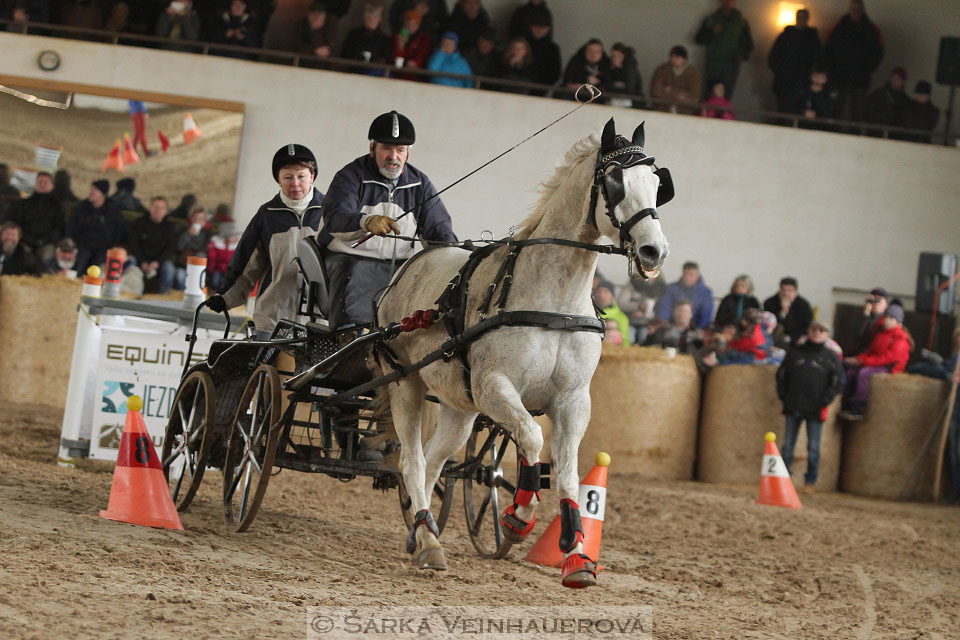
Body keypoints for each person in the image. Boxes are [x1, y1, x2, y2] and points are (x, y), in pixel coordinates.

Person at [321, 111, 456, 327]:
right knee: (355, 275)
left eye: (400, 150)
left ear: (408, 154)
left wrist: (453, 253)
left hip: (400, 267)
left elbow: (438, 231)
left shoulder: (419, 183)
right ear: (372, 149)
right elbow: (335, 219)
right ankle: (349, 338)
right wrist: (365, 222)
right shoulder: (350, 176)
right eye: (386, 149)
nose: (393, 157)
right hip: (352, 260)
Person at [207, 144, 325, 334]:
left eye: (301, 176)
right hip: (272, 319)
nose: (295, 183)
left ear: (312, 176)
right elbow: (245, 265)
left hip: (318, 322)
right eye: (287, 177)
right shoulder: (267, 215)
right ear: (278, 180)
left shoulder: (330, 213)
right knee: (265, 365)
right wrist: (225, 297)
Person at [776, 321, 844, 492]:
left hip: (816, 408)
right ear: (808, 331)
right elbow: (781, 375)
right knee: (788, 446)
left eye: (822, 330)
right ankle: (783, 480)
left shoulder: (831, 357)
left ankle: (810, 481)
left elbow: (839, 382)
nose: (817, 333)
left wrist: (825, 399)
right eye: (814, 329)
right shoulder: (794, 352)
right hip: (793, 405)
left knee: (813, 447)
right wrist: (784, 396)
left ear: (827, 334)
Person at [840, 303, 910, 419]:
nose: (887, 321)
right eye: (886, 317)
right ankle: (845, 402)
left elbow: (888, 358)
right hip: (876, 362)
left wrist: (864, 361)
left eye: (891, 318)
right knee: (851, 372)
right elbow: (871, 351)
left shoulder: (900, 337)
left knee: (864, 373)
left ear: (898, 321)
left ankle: (859, 407)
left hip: (890, 367)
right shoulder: (881, 334)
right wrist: (858, 358)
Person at [823, 0, 883, 123]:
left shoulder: (872, 29)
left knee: (859, 113)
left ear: (863, 10)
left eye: (858, 9)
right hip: (839, 78)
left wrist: (866, 71)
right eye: (853, 9)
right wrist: (832, 70)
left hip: (861, 80)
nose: (855, 12)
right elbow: (828, 49)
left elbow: (878, 53)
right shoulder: (839, 27)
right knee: (836, 111)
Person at [65, 179, 126, 275]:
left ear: (102, 194)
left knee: (99, 265)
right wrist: (71, 242)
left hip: (104, 247)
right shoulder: (82, 207)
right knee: (79, 261)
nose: (91, 192)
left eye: (95, 190)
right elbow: (71, 225)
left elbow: (119, 231)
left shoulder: (112, 210)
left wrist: (114, 247)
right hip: (83, 244)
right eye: (91, 189)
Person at [694, 0, 753, 99]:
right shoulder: (711, 19)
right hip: (713, 64)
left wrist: (742, 56)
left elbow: (749, 44)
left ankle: (724, 114)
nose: (728, 2)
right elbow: (699, 39)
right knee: (710, 95)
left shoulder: (741, 20)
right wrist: (712, 32)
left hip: (731, 64)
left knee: (726, 96)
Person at [768, 8, 822, 113]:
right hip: (784, 81)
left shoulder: (813, 38)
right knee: (782, 109)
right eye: (799, 17)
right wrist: (781, 72)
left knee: (800, 109)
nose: (800, 20)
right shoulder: (785, 36)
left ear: (807, 19)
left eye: (803, 17)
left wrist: (809, 75)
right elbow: (773, 57)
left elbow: (817, 59)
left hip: (803, 81)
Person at [7, 171, 64, 262]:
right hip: (25, 241)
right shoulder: (24, 204)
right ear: (35, 184)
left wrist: (45, 240)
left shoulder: (57, 206)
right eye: (40, 182)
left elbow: (59, 227)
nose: (42, 184)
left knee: (45, 256)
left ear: (51, 186)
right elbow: (17, 223)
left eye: (45, 182)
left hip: (47, 243)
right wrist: (26, 239)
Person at [128, 196, 178, 294]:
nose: (158, 210)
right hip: (140, 259)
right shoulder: (139, 223)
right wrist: (142, 262)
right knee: (129, 263)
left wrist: (157, 263)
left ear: (166, 211)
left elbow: (170, 249)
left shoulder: (169, 228)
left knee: (169, 268)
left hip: (159, 262)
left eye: (161, 208)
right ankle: (130, 293)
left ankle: (163, 297)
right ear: (149, 208)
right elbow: (134, 245)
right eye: (155, 207)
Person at [654, 261, 714, 330]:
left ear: (697, 276)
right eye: (685, 274)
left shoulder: (706, 293)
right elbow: (664, 308)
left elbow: (706, 315)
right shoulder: (671, 288)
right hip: (671, 327)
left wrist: (699, 330)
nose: (687, 277)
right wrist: (664, 326)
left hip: (695, 329)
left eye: (691, 274)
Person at [650, 45, 702, 115]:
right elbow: (656, 92)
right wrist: (679, 95)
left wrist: (670, 90)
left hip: (685, 113)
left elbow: (694, 98)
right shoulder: (662, 70)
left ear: (684, 59)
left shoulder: (693, 74)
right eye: (672, 56)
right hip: (662, 110)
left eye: (677, 57)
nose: (673, 59)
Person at [340, 3, 391, 72]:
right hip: (354, 71)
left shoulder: (384, 39)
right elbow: (344, 54)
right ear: (364, 18)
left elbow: (387, 60)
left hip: (375, 75)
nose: (371, 20)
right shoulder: (354, 34)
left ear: (379, 20)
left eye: (375, 17)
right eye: (369, 17)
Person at [763, 276, 813, 347]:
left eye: (790, 290)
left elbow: (807, 326)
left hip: (796, 338)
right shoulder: (769, 302)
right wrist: (783, 312)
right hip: (774, 337)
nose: (786, 293)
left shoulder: (804, 305)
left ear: (795, 292)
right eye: (783, 290)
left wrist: (791, 338)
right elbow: (767, 323)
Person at [617, 272, 666, 345]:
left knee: (644, 336)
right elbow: (621, 303)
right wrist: (636, 307)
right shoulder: (632, 284)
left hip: (649, 324)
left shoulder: (660, 290)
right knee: (629, 337)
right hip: (629, 320)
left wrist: (645, 315)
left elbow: (660, 311)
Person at [174, 206, 212, 290]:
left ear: (205, 220)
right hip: (183, 264)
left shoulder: (208, 233)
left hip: (198, 264)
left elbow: (205, 249)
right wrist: (188, 235)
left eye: (201, 218)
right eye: (195, 218)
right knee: (180, 277)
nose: (198, 221)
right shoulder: (183, 229)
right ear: (191, 218)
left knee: (198, 280)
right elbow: (179, 247)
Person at [524, 8, 561, 93]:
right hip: (520, 88)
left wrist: (543, 87)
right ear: (531, 27)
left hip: (541, 89)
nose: (539, 30)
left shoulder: (553, 49)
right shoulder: (523, 45)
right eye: (536, 26)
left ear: (548, 29)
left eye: (543, 27)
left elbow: (555, 73)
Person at [391, 8, 433, 79]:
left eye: (414, 24)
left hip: (417, 76)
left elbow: (422, 56)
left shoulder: (424, 39)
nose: (410, 26)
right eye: (408, 23)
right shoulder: (397, 37)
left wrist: (415, 63)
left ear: (418, 25)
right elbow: (396, 62)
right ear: (404, 24)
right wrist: (400, 47)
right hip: (398, 76)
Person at [850, 287, 888, 355]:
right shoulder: (865, 316)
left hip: (873, 356)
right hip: (859, 354)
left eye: (879, 300)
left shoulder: (888, 320)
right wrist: (866, 312)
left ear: (886, 304)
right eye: (874, 300)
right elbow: (858, 334)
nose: (876, 303)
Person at [205, 222, 240, 292]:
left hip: (230, 270)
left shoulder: (238, 245)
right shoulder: (216, 243)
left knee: (227, 284)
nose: (235, 237)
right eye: (232, 236)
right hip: (218, 269)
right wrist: (210, 270)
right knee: (215, 281)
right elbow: (212, 258)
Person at [606, 43, 642, 108]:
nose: (615, 59)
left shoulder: (630, 70)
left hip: (632, 104)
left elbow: (630, 89)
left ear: (624, 57)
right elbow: (608, 86)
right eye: (614, 56)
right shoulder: (610, 69)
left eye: (619, 56)